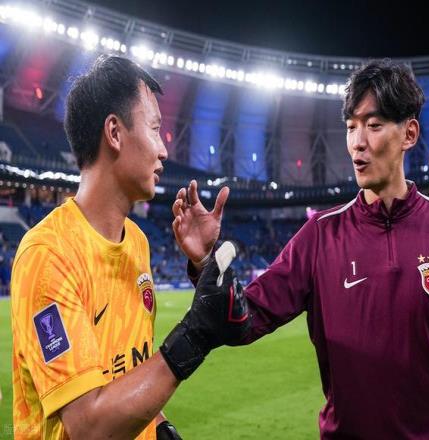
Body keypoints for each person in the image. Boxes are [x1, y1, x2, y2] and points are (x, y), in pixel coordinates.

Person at [173, 59, 429, 438]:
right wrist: (205, 261)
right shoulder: (320, 234)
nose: (358, 142)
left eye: (373, 125)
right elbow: (244, 320)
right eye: (350, 127)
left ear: (409, 133)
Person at [10, 55, 250, 439]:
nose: (164, 150)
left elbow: (128, 370)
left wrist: (160, 426)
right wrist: (195, 335)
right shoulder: (49, 254)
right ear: (115, 133)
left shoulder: (136, 241)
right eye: (155, 128)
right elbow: (88, 427)